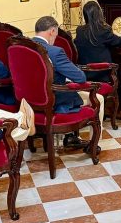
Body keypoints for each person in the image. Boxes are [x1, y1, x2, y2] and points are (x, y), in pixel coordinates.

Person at [33, 16, 102, 148]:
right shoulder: (54, 52)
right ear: (52, 31)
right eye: (55, 35)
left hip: (31, 101)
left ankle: (72, 137)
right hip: (54, 99)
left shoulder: (21, 47)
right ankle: (93, 145)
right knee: (98, 98)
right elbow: (80, 78)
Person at [74, 1, 121, 110]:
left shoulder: (80, 31)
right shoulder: (104, 30)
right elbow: (118, 42)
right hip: (102, 74)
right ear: (99, 14)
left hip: (85, 73)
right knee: (119, 69)